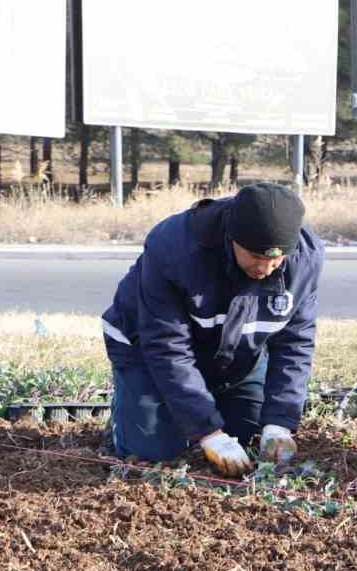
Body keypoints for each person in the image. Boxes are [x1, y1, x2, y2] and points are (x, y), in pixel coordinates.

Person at [102, 183, 323, 476]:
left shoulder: (305, 258)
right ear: (232, 238)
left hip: (235, 350)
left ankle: (205, 405)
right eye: (256, 257)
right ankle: (128, 413)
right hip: (144, 347)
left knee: (248, 438)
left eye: (276, 260)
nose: (266, 269)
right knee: (154, 453)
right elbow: (167, 346)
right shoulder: (173, 249)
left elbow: (295, 344)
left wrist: (280, 422)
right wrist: (208, 432)